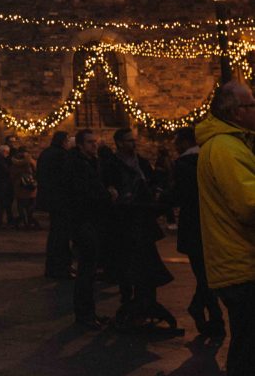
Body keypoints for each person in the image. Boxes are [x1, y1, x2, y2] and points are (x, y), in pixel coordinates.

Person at [196, 81, 255, 376]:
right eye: (252, 104)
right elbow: (248, 204)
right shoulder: (224, 148)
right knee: (248, 360)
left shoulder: (235, 146)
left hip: (242, 265)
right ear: (236, 112)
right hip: (243, 268)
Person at [103, 128, 178, 333]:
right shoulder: (111, 165)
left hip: (143, 220)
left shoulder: (142, 163)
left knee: (146, 263)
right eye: (129, 141)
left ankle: (146, 302)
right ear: (119, 143)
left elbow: (154, 182)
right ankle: (129, 302)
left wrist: (156, 191)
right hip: (124, 222)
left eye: (134, 141)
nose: (133, 144)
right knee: (127, 265)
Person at [172, 126, 224, 338]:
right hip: (212, 222)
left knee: (203, 274)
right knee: (209, 273)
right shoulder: (211, 158)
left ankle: (210, 315)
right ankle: (215, 319)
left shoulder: (183, 164)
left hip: (193, 225)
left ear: (185, 142)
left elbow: (179, 195)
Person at [65, 128, 116, 329]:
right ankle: (84, 315)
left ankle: (89, 313)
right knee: (86, 269)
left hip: (91, 220)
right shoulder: (77, 165)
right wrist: (106, 195)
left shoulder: (91, 162)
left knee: (90, 269)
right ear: (80, 145)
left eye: (95, 142)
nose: (94, 145)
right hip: (83, 221)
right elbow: (84, 193)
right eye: (89, 142)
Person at [36, 131, 72, 277]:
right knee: (61, 235)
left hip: (50, 199)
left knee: (55, 233)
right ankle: (60, 268)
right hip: (60, 200)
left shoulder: (46, 153)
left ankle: (52, 267)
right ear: (63, 141)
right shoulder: (61, 155)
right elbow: (65, 178)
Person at [11, 147, 40, 229]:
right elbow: (36, 170)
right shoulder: (30, 161)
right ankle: (30, 220)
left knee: (20, 205)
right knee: (31, 204)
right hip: (30, 186)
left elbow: (12, 174)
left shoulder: (14, 161)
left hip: (19, 186)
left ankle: (24, 221)